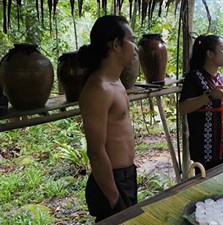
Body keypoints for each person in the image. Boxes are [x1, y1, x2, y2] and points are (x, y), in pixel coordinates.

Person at [78, 15, 138, 222]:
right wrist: (114, 197)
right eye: (132, 40)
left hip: (126, 177)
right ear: (115, 45)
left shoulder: (116, 82)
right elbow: (95, 150)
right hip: (111, 183)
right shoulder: (98, 88)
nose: (136, 48)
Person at [179, 34, 223, 172]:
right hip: (205, 151)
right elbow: (183, 108)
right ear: (210, 54)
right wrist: (208, 96)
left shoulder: (220, 78)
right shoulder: (194, 77)